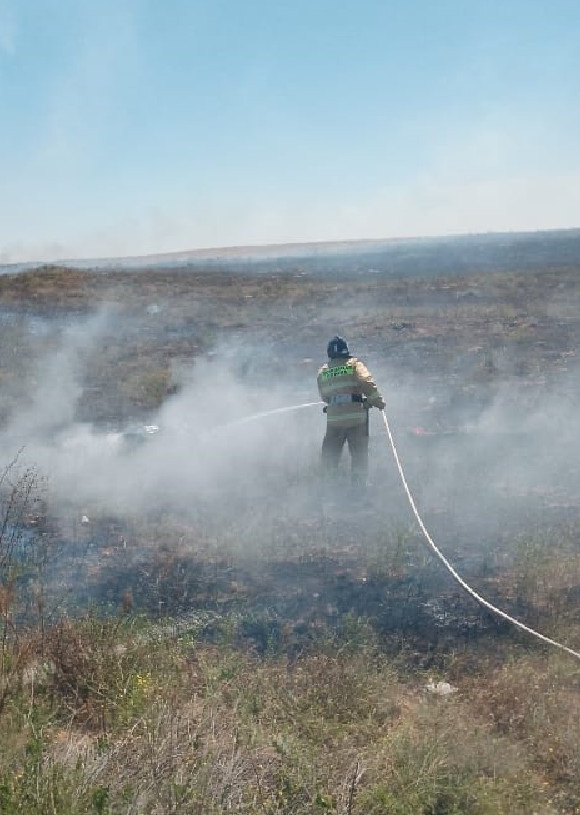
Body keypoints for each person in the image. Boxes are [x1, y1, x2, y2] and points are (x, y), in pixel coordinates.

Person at [317, 336, 385, 486]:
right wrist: (377, 402)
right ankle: (358, 487)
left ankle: (329, 487)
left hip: (334, 421)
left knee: (330, 455)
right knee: (359, 454)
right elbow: (366, 382)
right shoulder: (354, 365)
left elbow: (325, 397)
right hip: (356, 419)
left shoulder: (323, 371)